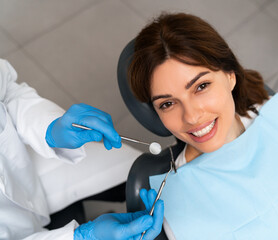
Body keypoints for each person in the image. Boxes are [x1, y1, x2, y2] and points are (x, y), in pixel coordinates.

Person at [128, 13, 278, 240]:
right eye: (167, 103)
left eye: (201, 86)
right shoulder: (175, 199)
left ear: (230, 75)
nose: (191, 116)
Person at [0, 58, 164, 240]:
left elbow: (7, 93)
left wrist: (50, 127)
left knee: (133, 170)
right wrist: (83, 236)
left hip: (25, 173)